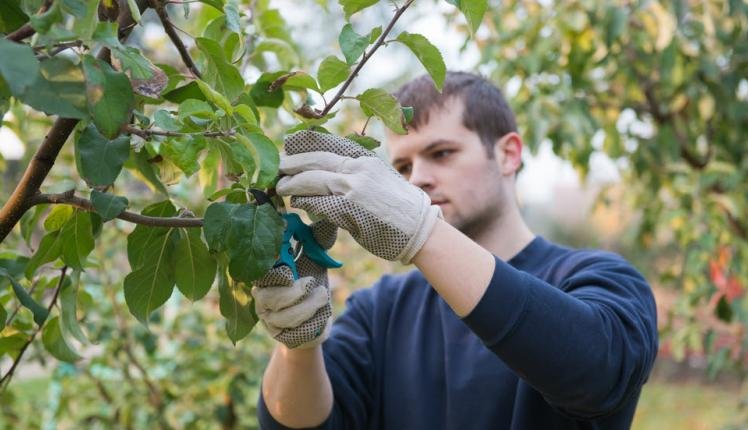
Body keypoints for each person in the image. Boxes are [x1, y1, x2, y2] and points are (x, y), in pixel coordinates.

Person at [252, 71, 658, 429]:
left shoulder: (601, 279)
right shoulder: (381, 310)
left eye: (441, 153)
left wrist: (421, 231)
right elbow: (301, 423)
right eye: (403, 168)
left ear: (508, 153)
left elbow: (597, 374)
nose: (420, 179)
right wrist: (298, 345)